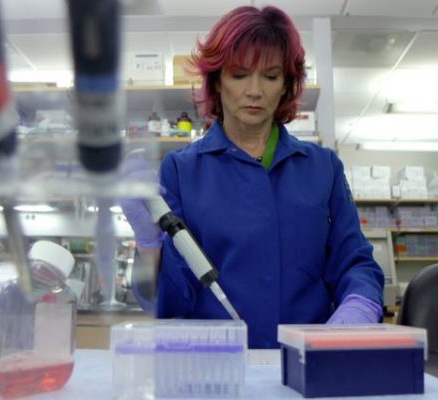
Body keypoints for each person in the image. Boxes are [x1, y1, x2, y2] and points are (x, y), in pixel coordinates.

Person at [122, 5, 384, 348]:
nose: (255, 90)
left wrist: (360, 305)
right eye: (239, 74)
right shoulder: (182, 170)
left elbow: (355, 262)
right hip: (216, 369)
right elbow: (171, 301)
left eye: (271, 76)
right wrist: (148, 245)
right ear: (217, 81)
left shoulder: (323, 168)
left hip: (306, 362)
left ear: (287, 85)